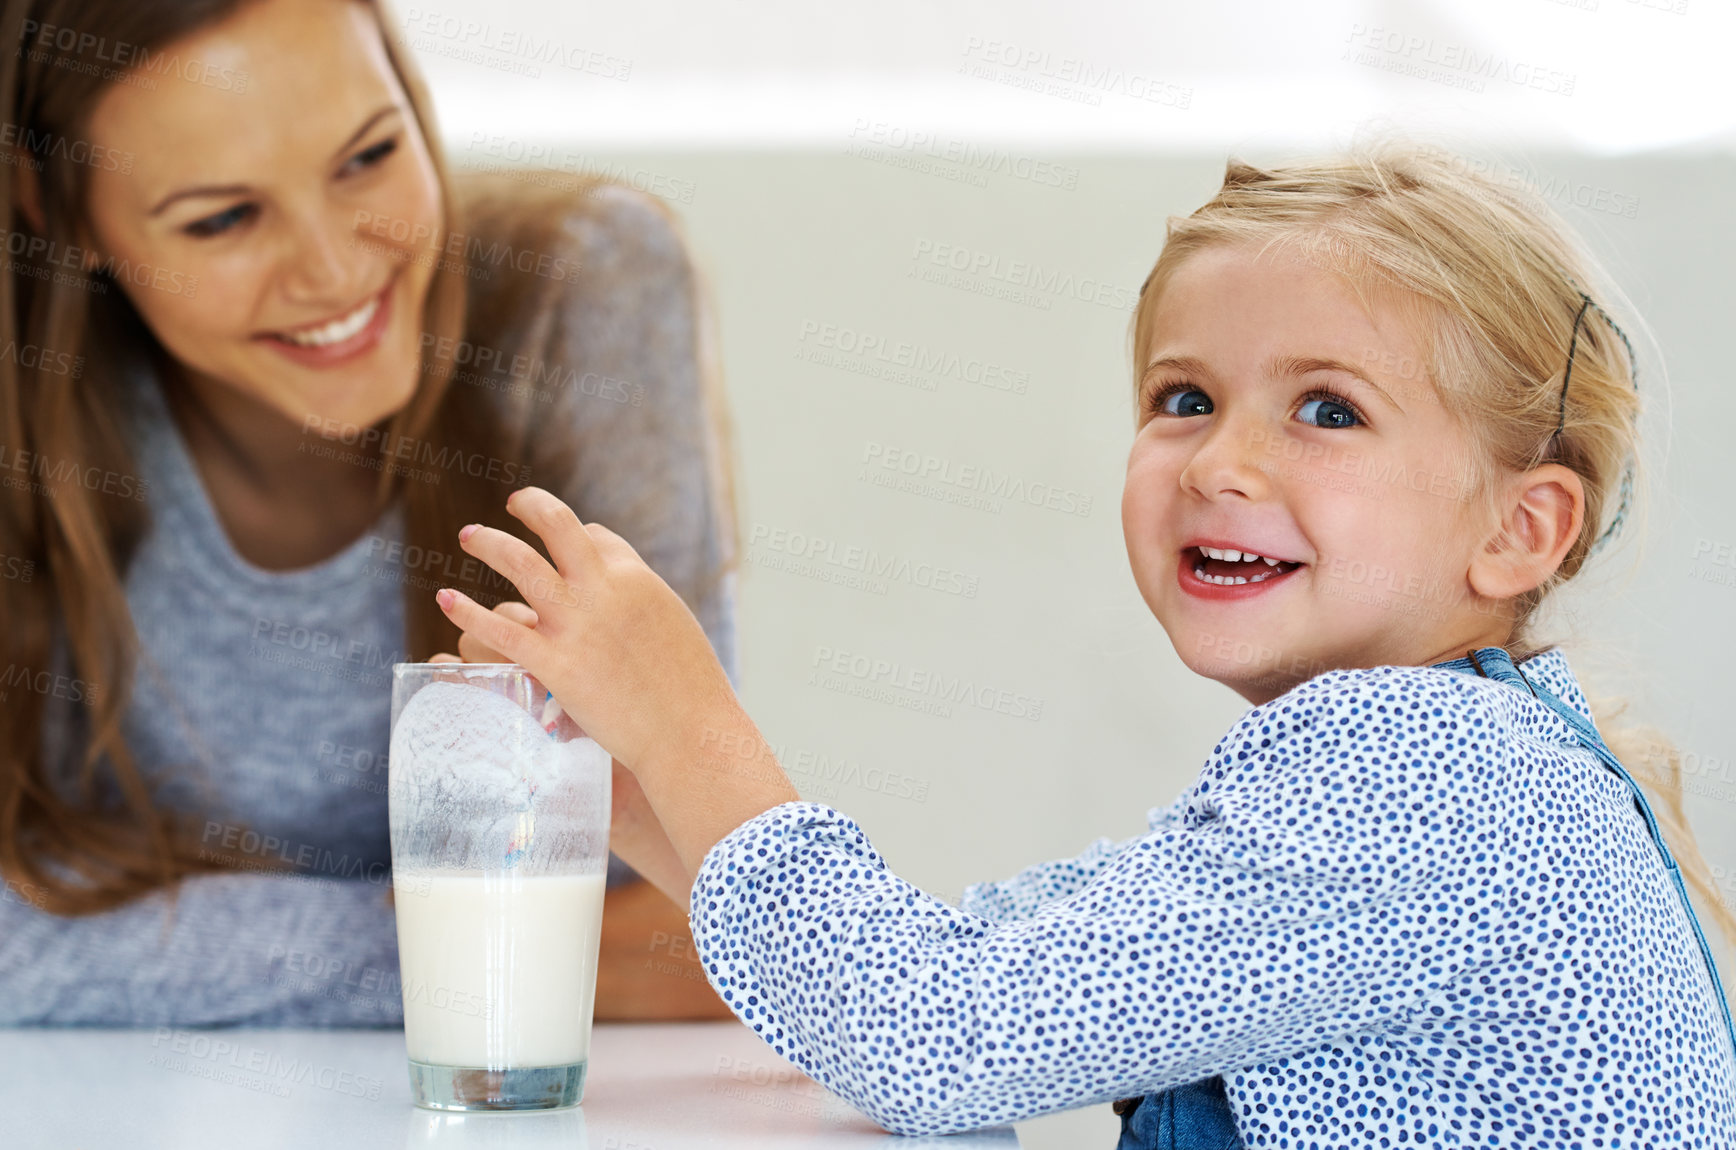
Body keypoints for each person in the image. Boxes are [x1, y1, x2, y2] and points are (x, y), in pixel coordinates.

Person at [434, 142, 1736, 1144]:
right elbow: (953, 975)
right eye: (1184, 398)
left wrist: (685, 722)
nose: (1221, 459)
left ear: (1520, 528)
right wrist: (625, 787)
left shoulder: (1414, 774)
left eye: (1327, 408)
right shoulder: (1422, 764)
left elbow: (930, 1037)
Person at [0, 0, 734, 1024]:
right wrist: (460, 950)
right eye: (222, 218)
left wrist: (169, 944)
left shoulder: (580, 293)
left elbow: (682, 888)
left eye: (368, 155)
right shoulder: (32, 405)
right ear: (54, 210)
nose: (338, 269)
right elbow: (617, 954)